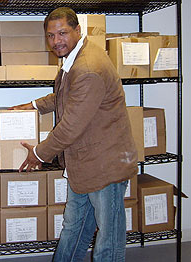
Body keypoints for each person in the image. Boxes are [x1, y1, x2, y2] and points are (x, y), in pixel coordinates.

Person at [10, 7, 138, 262]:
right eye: (50, 35)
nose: (56, 41)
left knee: (108, 242)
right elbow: (66, 96)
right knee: (74, 228)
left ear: (78, 30)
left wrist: (38, 154)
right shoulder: (76, 59)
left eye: (63, 33)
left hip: (104, 166)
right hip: (84, 164)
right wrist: (34, 105)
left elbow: (70, 126)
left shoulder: (88, 67)